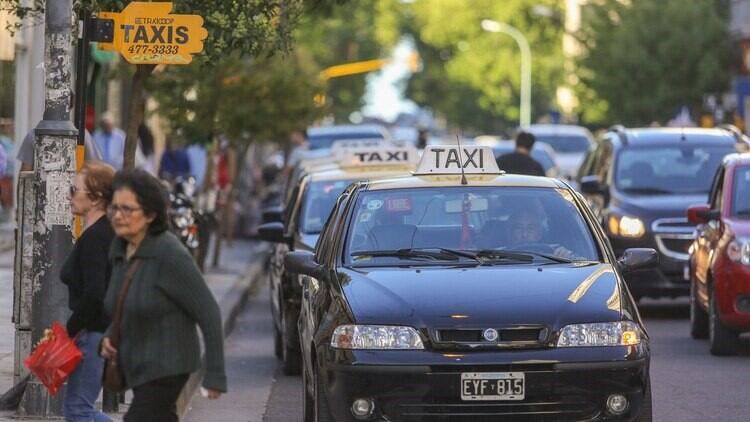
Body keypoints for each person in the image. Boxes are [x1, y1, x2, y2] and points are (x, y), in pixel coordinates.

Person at [100, 170, 226, 421]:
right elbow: (122, 303)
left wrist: (215, 375)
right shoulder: (120, 249)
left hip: (169, 365)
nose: (118, 216)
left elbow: (209, 312)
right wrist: (107, 337)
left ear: (150, 214)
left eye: (127, 209)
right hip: (139, 366)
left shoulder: (169, 254)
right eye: (114, 208)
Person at [60, 160, 116, 422]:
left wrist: (70, 331)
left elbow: (95, 293)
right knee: (80, 408)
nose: (69, 196)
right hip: (95, 331)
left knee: (78, 409)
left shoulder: (96, 237)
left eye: (74, 190)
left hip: (92, 333)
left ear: (95, 199)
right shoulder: (100, 232)